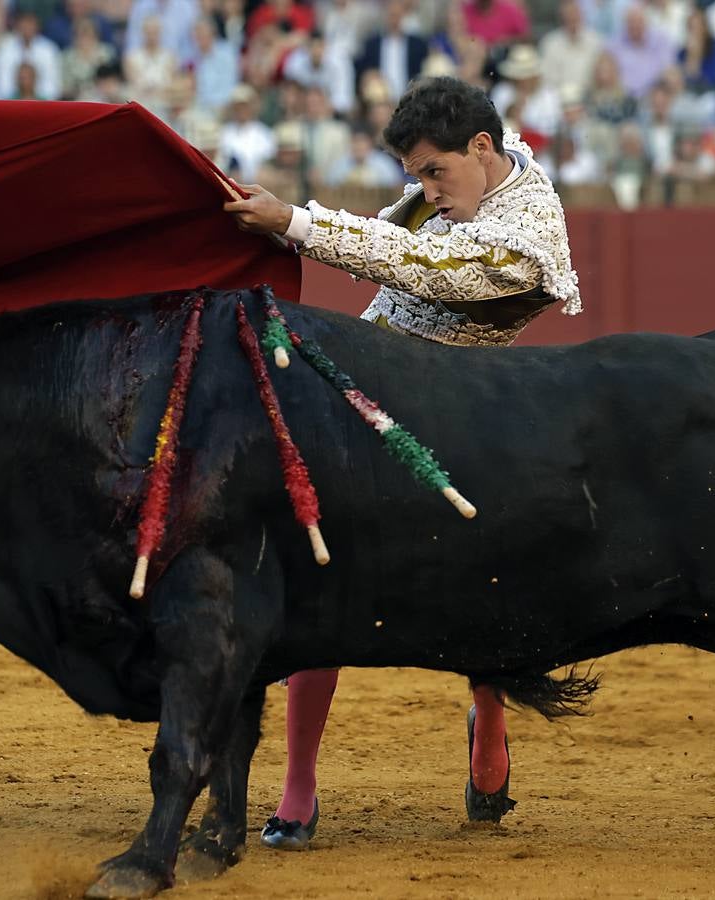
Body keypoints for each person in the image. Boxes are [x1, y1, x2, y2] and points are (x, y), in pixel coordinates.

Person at [223, 75, 580, 850]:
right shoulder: (482, 163)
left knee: (482, 588)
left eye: (432, 172)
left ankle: (488, 725)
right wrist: (286, 226)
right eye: (415, 173)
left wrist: (294, 221)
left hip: (463, 421)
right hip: (371, 397)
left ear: (481, 150)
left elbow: (414, 264)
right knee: (322, 578)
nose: (422, 188)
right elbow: (392, 233)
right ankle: (299, 786)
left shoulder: (528, 241)